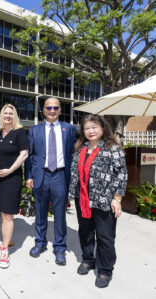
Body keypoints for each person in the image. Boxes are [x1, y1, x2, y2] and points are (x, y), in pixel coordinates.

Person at [68, 114, 127, 288]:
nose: (91, 131)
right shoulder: (80, 148)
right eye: (87, 128)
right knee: (85, 232)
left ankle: (105, 270)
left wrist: (117, 199)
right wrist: (72, 194)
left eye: (94, 127)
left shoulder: (112, 148)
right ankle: (88, 259)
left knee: (105, 237)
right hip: (83, 199)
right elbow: (74, 174)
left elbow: (122, 175)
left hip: (104, 201)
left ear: (102, 128)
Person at [25, 97, 76, 265]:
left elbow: (74, 154)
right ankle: (40, 243)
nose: (52, 111)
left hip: (60, 176)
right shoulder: (34, 130)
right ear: (44, 110)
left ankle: (60, 248)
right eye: (49, 108)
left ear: (60, 110)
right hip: (41, 176)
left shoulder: (69, 129)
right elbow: (30, 155)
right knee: (40, 213)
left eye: (55, 108)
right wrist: (29, 176)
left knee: (60, 215)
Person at [0, 104, 29, 269]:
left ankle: (5, 250)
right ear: (1, 115)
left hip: (12, 178)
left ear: (15, 116)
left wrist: (10, 170)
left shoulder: (20, 132)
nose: (7, 116)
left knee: (8, 215)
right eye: (5, 113)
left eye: (11, 113)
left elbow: (24, 154)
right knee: (2, 211)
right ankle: (9, 240)